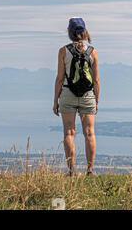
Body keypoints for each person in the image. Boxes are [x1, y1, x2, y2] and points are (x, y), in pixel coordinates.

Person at [53, 17, 100, 176]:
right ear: (85, 32)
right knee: (89, 133)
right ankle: (90, 170)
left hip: (67, 93)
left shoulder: (63, 51)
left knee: (69, 133)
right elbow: (96, 80)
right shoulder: (92, 52)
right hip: (88, 95)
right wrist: (96, 100)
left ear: (70, 33)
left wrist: (55, 101)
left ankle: (71, 171)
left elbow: (60, 78)